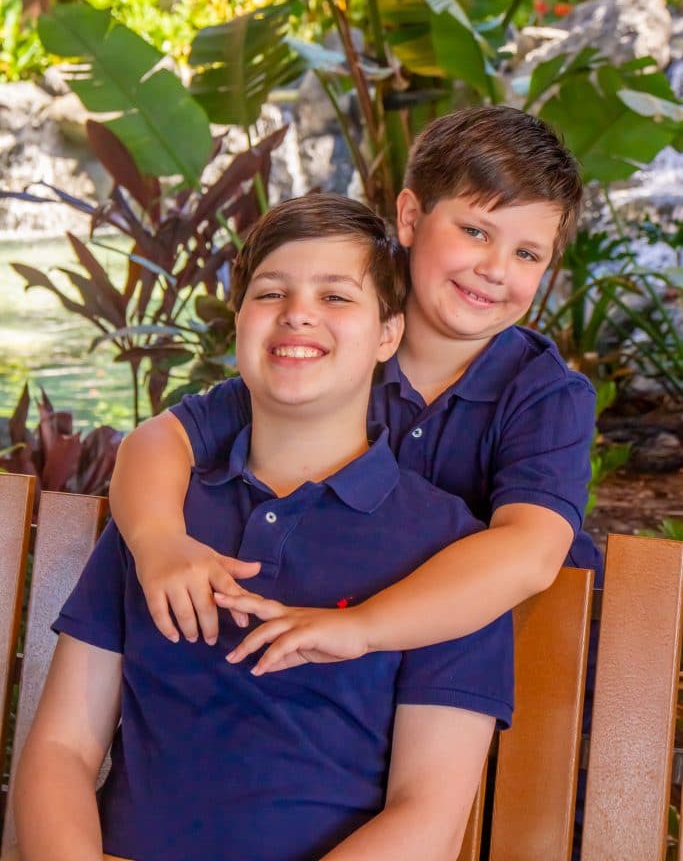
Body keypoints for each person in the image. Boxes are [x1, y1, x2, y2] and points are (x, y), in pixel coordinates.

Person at [12, 196, 513, 861]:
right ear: (241, 321)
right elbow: (61, 748)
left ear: (388, 334)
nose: (297, 312)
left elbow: (428, 814)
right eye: (270, 292)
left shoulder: (450, 554)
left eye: (336, 297)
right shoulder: (159, 518)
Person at [108, 105, 602, 670]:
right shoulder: (328, 353)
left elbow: (530, 554)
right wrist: (158, 541)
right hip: (364, 667)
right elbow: (159, 440)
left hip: (522, 664)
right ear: (411, 218)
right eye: (474, 231)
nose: (495, 268)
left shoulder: (544, 395)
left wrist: (362, 628)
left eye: (527, 254)